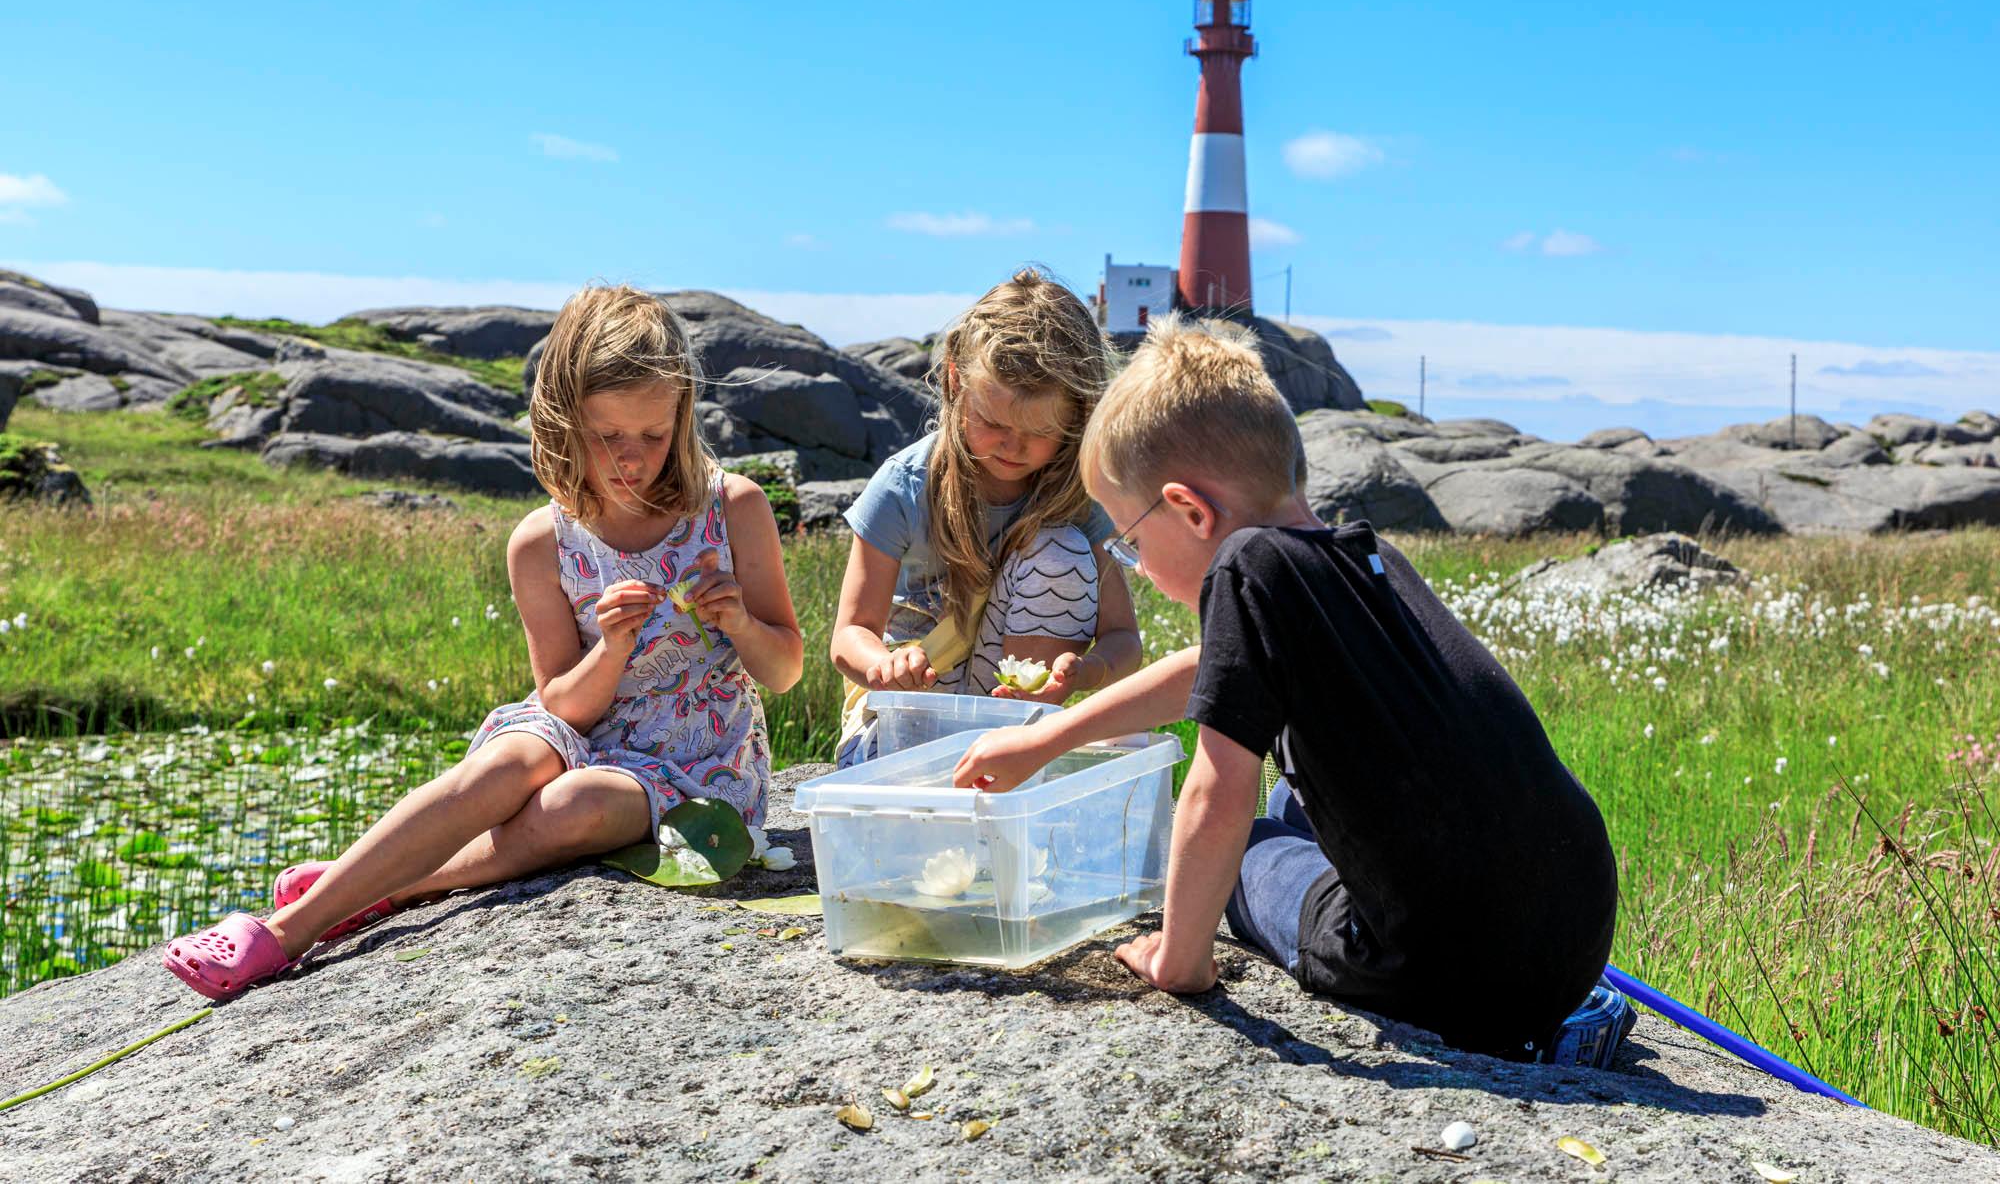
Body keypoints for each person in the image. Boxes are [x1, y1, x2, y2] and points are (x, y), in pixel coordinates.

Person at [953, 316, 1619, 1061]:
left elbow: (1216, 791)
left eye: (1132, 542)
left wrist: (1181, 956)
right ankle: (1564, 1016)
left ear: (1190, 511)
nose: (1134, 564)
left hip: (1444, 971)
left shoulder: (1243, 565)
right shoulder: (1367, 557)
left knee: (1242, 847)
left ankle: (1503, 1019)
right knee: (1288, 802)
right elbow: (1211, 668)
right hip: (1578, 925)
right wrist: (1047, 738)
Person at [164, 285, 803, 999]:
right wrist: (613, 647)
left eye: (653, 435)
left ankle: (392, 885)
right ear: (564, 420)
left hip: (694, 763)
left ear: (682, 417)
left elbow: (783, 670)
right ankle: (286, 928)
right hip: (579, 724)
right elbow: (564, 702)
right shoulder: (541, 542)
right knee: (500, 769)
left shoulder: (731, 508)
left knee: (575, 805)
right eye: (607, 436)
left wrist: (742, 622)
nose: (633, 459)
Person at [828, 267, 1142, 765]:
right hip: (910, 709)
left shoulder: (1078, 495)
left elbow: (1124, 639)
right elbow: (848, 636)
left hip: (1006, 718)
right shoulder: (906, 483)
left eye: (1039, 430)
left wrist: (1085, 672)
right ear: (956, 380)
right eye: (994, 422)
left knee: (1058, 549)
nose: (1013, 447)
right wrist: (886, 665)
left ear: (1079, 413)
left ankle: (1021, 736)